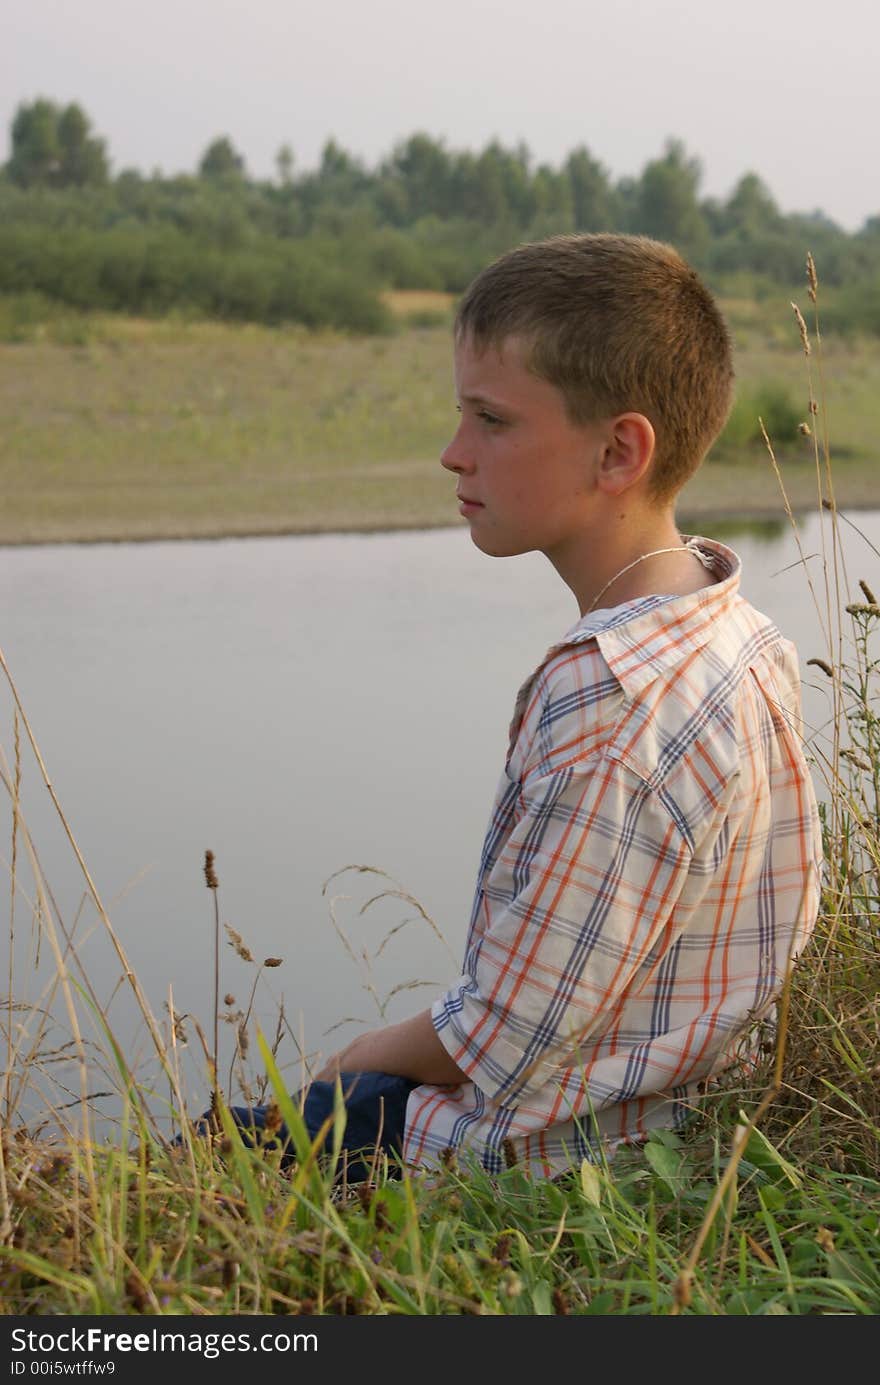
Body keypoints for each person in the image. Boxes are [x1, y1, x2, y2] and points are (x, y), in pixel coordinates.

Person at [193, 233, 823, 1182]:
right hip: (674, 1130)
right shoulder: (742, 635)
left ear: (619, 450)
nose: (454, 455)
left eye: (491, 420)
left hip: (541, 1164)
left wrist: (352, 1059)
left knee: (198, 1160)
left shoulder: (612, 699)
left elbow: (503, 1032)